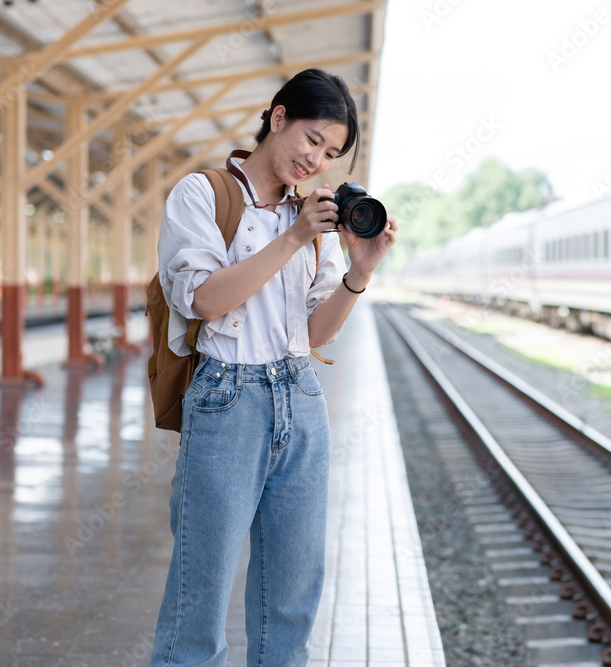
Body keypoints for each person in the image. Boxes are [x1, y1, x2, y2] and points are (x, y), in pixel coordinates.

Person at [149, 69, 397, 666]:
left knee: (290, 599)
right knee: (199, 596)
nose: (317, 160)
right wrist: (290, 239)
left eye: (333, 153)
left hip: (300, 398)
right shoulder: (202, 194)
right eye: (312, 139)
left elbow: (314, 332)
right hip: (226, 398)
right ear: (277, 117)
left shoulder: (318, 219)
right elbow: (205, 299)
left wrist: (359, 273)